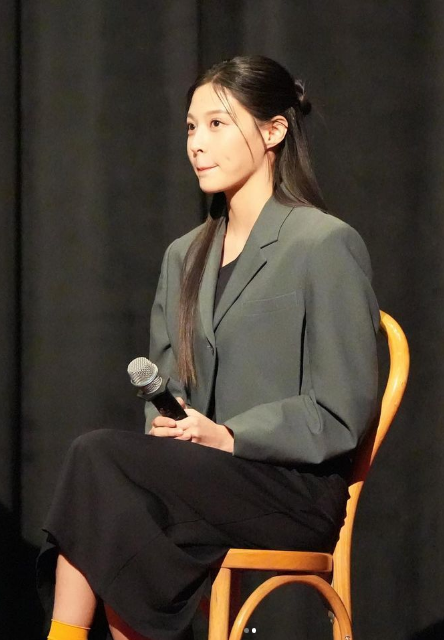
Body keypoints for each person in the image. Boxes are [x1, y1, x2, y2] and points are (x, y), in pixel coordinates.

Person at [37, 55, 380, 640]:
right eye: (191, 127)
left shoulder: (322, 243)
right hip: (200, 480)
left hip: (290, 489)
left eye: (218, 124)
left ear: (273, 131)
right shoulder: (184, 255)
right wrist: (172, 427)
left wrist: (229, 435)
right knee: (114, 490)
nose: (197, 143)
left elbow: (339, 409)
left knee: (98, 462)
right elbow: (167, 387)